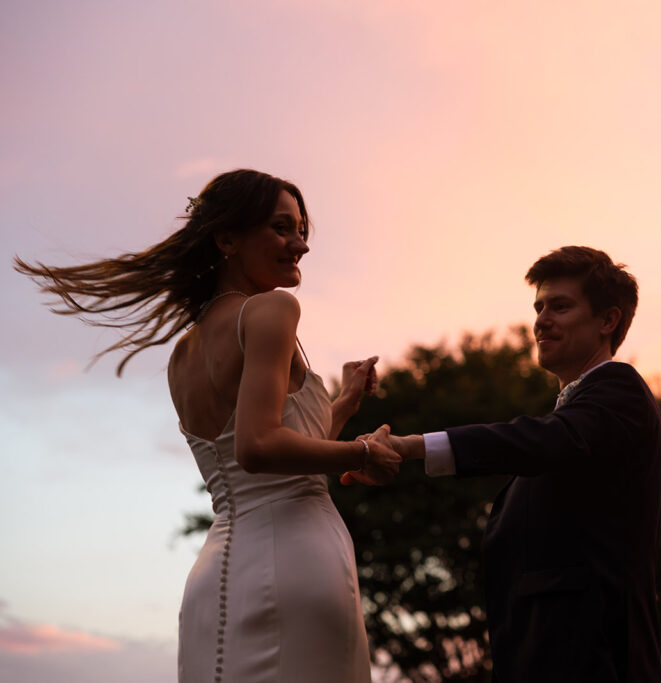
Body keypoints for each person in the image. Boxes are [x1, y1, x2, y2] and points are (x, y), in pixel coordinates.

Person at [15, 169, 401, 682]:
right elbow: (259, 446)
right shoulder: (274, 309)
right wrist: (363, 454)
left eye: (302, 230)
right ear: (227, 239)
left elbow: (267, 450)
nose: (300, 245)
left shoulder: (182, 354)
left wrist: (346, 402)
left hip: (217, 572)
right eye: (283, 228)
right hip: (299, 557)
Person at [351, 246, 661, 682]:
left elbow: (543, 441)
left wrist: (412, 447)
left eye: (560, 306)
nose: (541, 319)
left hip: (594, 658)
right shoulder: (573, 416)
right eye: (539, 307)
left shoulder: (619, 389)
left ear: (607, 321)